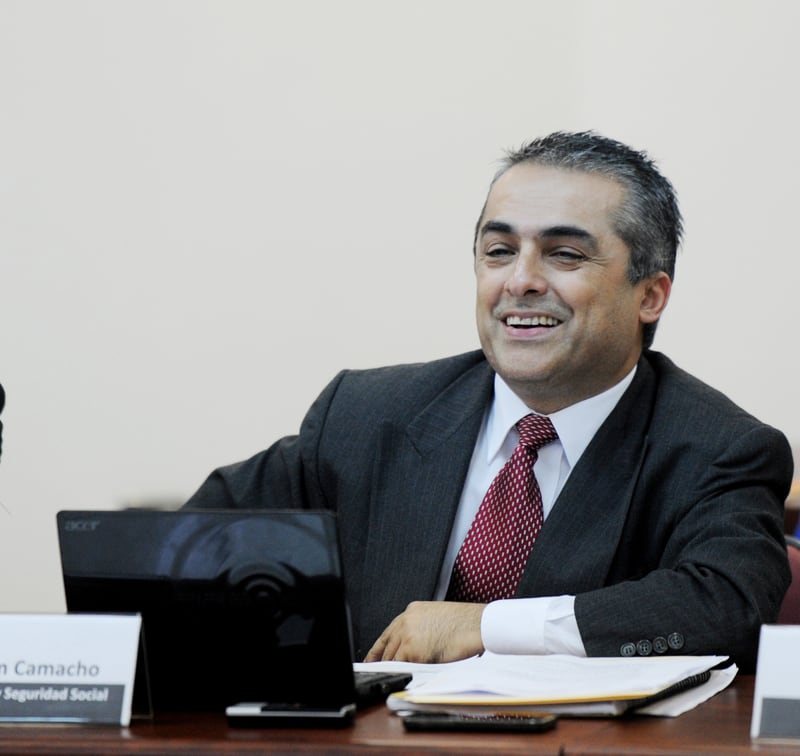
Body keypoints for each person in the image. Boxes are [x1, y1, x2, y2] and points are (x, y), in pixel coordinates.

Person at [184, 131, 792, 672]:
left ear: (650, 296)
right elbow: (183, 549)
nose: (519, 281)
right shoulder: (366, 415)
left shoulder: (719, 449)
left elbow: (726, 607)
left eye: (565, 254)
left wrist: (488, 626)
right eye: (499, 250)